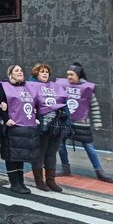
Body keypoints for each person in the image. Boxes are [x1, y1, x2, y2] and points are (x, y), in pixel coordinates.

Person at [56, 63, 113, 183]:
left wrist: (97, 122)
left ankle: (99, 170)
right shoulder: (63, 85)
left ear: (78, 75)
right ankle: (65, 167)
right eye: (67, 74)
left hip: (81, 122)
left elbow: (94, 106)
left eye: (71, 74)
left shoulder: (86, 88)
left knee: (89, 147)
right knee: (60, 145)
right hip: (65, 121)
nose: (69, 77)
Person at [0, 65, 40, 194]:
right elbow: (0, 104)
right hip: (12, 127)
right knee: (11, 156)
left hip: (25, 127)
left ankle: (20, 182)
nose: (20, 72)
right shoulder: (4, 87)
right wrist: (6, 119)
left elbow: (35, 104)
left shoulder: (28, 88)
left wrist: (35, 116)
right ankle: (14, 183)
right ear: (11, 74)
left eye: (21, 70)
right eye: (16, 71)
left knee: (20, 156)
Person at [28, 63, 70, 192]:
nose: (45, 74)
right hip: (40, 126)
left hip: (55, 125)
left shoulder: (55, 87)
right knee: (39, 153)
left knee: (51, 153)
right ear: (36, 74)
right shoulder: (30, 86)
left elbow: (64, 104)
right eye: (42, 72)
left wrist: (66, 121)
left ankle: (51, 180)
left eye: (47, 71)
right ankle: (39, 181)